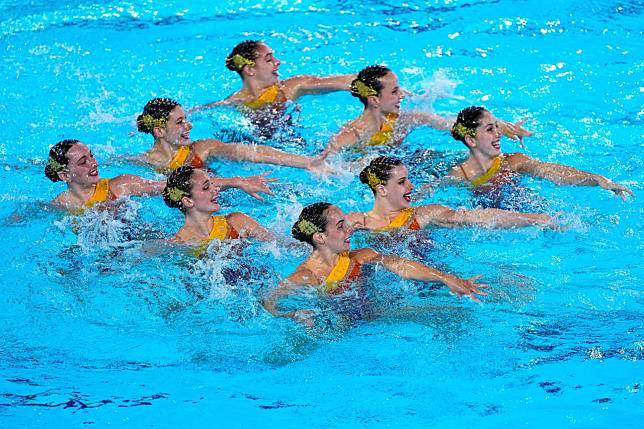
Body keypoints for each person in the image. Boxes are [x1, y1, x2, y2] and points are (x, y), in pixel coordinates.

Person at [262, 203, 487, 326]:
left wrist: (444, 277)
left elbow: (397, 263)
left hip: (375, 317)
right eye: (340, 227)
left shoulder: (360, 256)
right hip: (336, 332)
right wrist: (293, 316)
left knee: (455, 314)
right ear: (320, 237)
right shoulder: (307, 277)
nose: (349, 230)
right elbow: (268, 302)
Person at [321, 65, 532, 156]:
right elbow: (329, 168)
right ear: (375, 100)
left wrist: (501, 126)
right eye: (394, 91)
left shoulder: (404, 119)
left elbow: (448, 123)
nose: (402, 95)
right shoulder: (350, 135)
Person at [447, 106, 633, 200]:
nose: (499, 134)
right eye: (490, 130)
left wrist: (597, 179)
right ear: (471, 140)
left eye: (497, 127)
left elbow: (550, 171)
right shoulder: (457, 176)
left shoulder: (513, 162)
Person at [346, 156, 558, 232]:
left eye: (408, 179)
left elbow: (477, 217)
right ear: (381, 189)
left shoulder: (424, 215)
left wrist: (535, 219)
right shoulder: (357, 222)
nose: (411, 186)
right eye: (402, 182)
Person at [133, 97, 327, 173]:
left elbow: (252, 152)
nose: (189, 125)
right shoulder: (143, 163)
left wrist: (305, 162)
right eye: (180, 122)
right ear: (159, 131)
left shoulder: (201, 149)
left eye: (186, 119)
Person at [190, 40, 355, 113]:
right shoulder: (234, 103)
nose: (278, 62)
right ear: (250, 70)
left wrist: (373, 81)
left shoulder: (290, 87)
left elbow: (338, 82)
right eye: (269, 59)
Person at [163, 166, 273, 247]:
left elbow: (277, 244)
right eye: (206, 187)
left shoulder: (236, 222)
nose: (215, 189)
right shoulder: (179, 245)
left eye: (212, 184)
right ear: (188, 201)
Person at [45, 140, 166, 213]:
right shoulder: (60, 205)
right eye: (83, 162)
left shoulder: (121, 185)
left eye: (91, 156)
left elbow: (164, 185)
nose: (94, 163)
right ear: (65, 175)